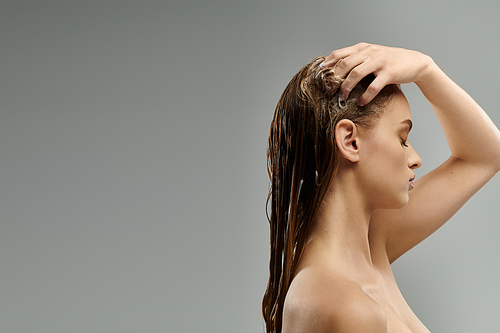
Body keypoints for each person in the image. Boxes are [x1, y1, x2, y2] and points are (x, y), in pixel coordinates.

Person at [262, 43, 500, 332]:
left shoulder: (371, 243)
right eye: (402, 139)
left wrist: (426, 70)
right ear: (350, 141)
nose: (416, 159)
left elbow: (486, 156)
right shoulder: (345, 306)